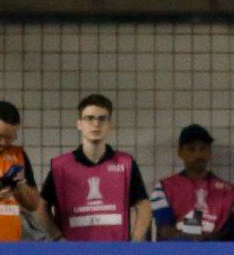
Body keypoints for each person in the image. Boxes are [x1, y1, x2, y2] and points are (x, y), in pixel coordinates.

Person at [38, 94, 151, 241]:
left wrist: (135, 243)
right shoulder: (61, 166)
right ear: (79, 124)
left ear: (110, 124)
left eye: (102, 118)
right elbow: (41, 208)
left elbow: (144, 206)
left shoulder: (125, 164)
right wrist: (58, 239)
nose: (96, 124)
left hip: (115, 254)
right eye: (89, 118)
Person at [150, 124, 234, 241]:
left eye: (203, 148)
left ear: (209, 152)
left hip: (218, 254)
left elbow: (233, 231)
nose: (198, 155)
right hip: (176, 254)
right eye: (191, 149)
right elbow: (163, 228)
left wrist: (207, 241)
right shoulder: (164, 188)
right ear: (180, 152)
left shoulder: (228, 191)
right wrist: (190, 240)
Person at [0, 101, 40, 241]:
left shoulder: (17, 155)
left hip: (10, 248)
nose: (3, 143)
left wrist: (21, 185)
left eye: (10, 138)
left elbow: (34, 204)